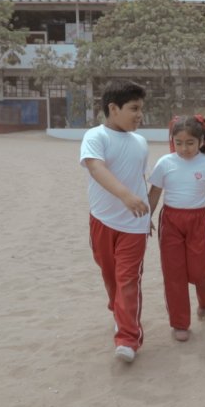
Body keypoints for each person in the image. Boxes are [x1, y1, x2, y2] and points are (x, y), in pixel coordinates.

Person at [79, 81, 150, 363]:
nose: (139, 115)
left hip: (134, 226)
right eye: (134, 108)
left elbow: (139, 179)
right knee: (110, 277)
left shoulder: (141, 143)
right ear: (113, 108)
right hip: (102, 221)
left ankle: (128, 339)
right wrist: (125, 196)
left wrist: (144, 211)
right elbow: (96, 168)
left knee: (128, 280)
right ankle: (118, 312)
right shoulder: (95, 136)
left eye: (141, 109)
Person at [148, 115, 205, 342]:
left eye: (190, 143)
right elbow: (155, 192)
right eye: (179, 142)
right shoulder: (165, 163)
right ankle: (180, 322)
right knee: (173, 273)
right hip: (171, 222)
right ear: (172, 141)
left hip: (198, 222)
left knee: (199, 272)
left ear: (202, 141)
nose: (184, 148)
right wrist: (146, 217)